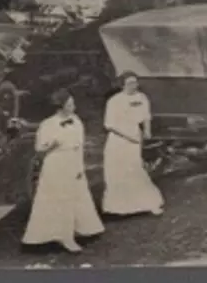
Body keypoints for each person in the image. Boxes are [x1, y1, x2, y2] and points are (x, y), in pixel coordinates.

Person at [22, 90, 104, 253]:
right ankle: (63, 236)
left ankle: (81, 228)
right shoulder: (48, 124)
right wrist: (53, 143)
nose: (74, 107)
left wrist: (80, 166)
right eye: (70, 104)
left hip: (73, 161)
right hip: (56, 164)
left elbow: (79, 145)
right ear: (60, 107)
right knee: (60, 199)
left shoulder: (76, 120)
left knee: (77, 195)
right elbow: (39, 148)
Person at [102, 72, 165, 217]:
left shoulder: (141, 97)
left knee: (135, 169)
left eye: (135, 83)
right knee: (117, 172)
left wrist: (147, 131)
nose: (133, 86)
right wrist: (129, 137)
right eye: (130, 83)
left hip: (135, 136)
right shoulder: (114, 101)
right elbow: (109, 125)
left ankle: (147, 204)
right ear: (122, 85)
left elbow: (146, 116)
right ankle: (119, 208)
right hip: (118, 139)